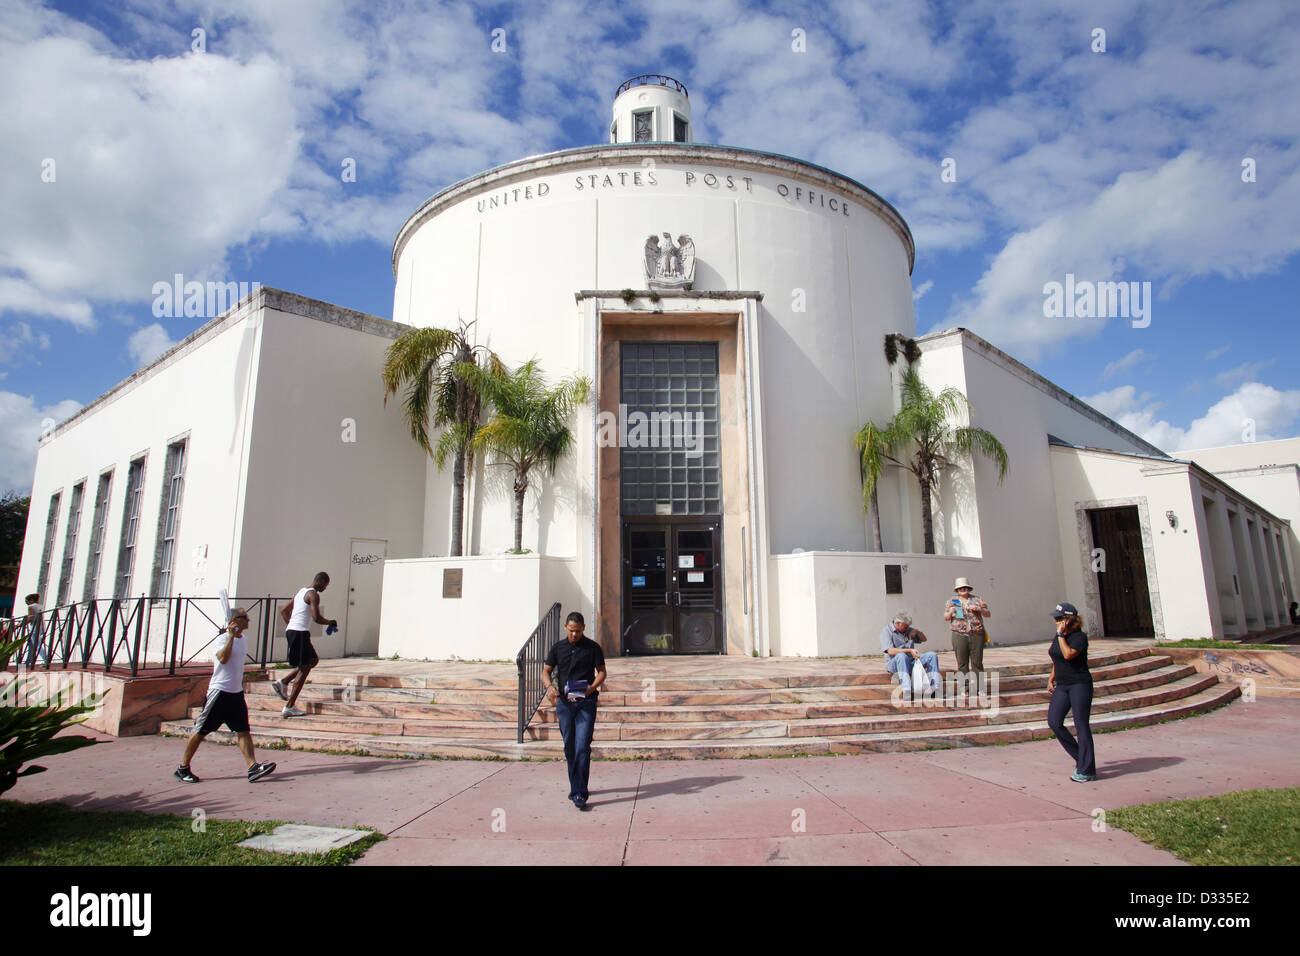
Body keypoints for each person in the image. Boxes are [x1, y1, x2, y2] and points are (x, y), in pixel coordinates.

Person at [174, 607, 276, 783]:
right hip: (219, 692)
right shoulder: (221, 640)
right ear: (235, 620)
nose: (249, 620)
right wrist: (229, 636)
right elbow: (223, 658)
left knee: (243, 730)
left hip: (235, 693)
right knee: (201, 731)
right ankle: (183, 768)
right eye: (245, 617)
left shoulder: (244, 639)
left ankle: (252, 767)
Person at [542, 611, 606, 810]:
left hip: (585, 701)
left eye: (578, 631)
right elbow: (546, 670)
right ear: (565, 628)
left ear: (584, 628)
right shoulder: (558, 647)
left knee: (582, 746)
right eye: (571, 631)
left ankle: (580, 792)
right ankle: (575, 785)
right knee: (569, 746)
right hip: (565, 703)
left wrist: (592, 688)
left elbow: (602, 672)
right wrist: (549, 687)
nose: (574, 635)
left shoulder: (593, 648)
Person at [273, 572, 336, 717]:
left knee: (313, 660)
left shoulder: (301, 592)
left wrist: (291, 625)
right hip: (300, 633)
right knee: (304, 669)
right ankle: (289, 706)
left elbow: (284, 611)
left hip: (294, 631)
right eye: (326, 585)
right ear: (320, 581)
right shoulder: (313, 595)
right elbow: (316, 618)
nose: (325, 588)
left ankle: (283, 681)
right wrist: (330, 622)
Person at [1046, 601, 1096, 783]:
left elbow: (1068, 654)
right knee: (1054, 721)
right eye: (1055, 618)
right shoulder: (1058, 636)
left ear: (1068, 620)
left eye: (1059, 618)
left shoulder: (1079, 637)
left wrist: (1060, 634)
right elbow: (1056, 657)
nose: (1055, 621)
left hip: (1079, 684)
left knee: (1081, 725)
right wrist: (1052, 677)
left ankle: (1087, 770)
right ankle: (1080, 757)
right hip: (1063, 685)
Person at [879, 611, 939, 700]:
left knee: (932, 655)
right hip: (894, 664)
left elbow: (924, 639)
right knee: (901, 656)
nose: (907, 628)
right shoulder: (886, 631)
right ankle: (906, 690)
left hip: (911, 661)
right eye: (905, 626)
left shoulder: (908, 630)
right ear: (898, 623)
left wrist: (917, 632)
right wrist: (910, 650)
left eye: (908, 626)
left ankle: (934, 688)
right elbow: (890, 651)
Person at [944, 577, 990, 686]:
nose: (963, 590)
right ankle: (965, 688)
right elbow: (946, 617)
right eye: (960, 588)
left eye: (965, 587)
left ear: (969, 589)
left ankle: (980, 687)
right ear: (957, 590)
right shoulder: (952, 601)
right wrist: (950, 612)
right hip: (959, 634)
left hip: (976, 634)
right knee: (962, 663)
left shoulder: (977, 599)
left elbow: (988, 614)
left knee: (977, 662)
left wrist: (979, 609)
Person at [22, 593, 49, 667]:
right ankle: (27, 662)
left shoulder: (30, 607)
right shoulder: (40, 606)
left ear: (31, 600)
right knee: (31, 644)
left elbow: (30, 618)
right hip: (41, 627)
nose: (26, 602)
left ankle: (46, 661)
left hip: (34, 628)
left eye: (26, 600)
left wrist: (22, 624)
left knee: (37, 645)